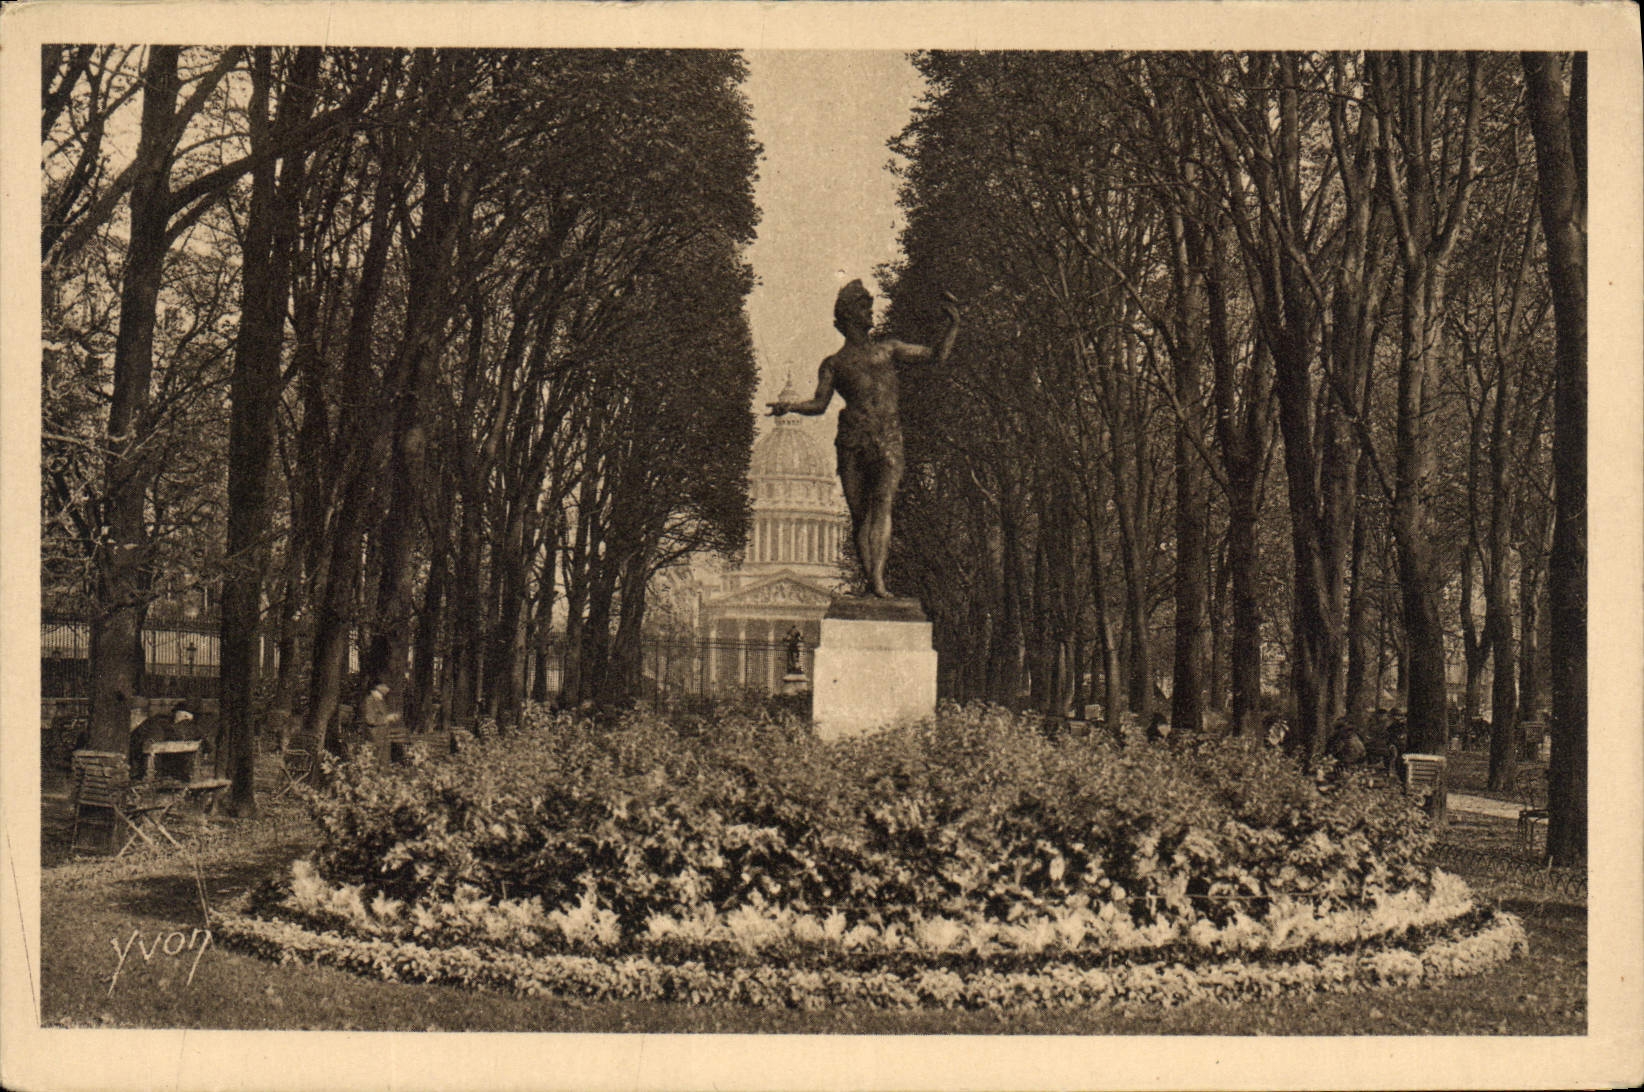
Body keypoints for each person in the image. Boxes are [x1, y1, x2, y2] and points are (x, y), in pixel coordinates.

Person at [767, 280, 959, 599]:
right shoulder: (834, 363)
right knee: (860, 517)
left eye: (869, 308)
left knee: (883, 505)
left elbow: (935, 356)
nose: (870, 313)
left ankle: (879, 582)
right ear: (846, 319)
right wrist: (790, 405)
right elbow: (818, 404)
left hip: (887, 436)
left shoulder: (890, 349)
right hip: (853, 438)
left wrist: (952, 324)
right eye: (862, 309)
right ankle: (872, 582)